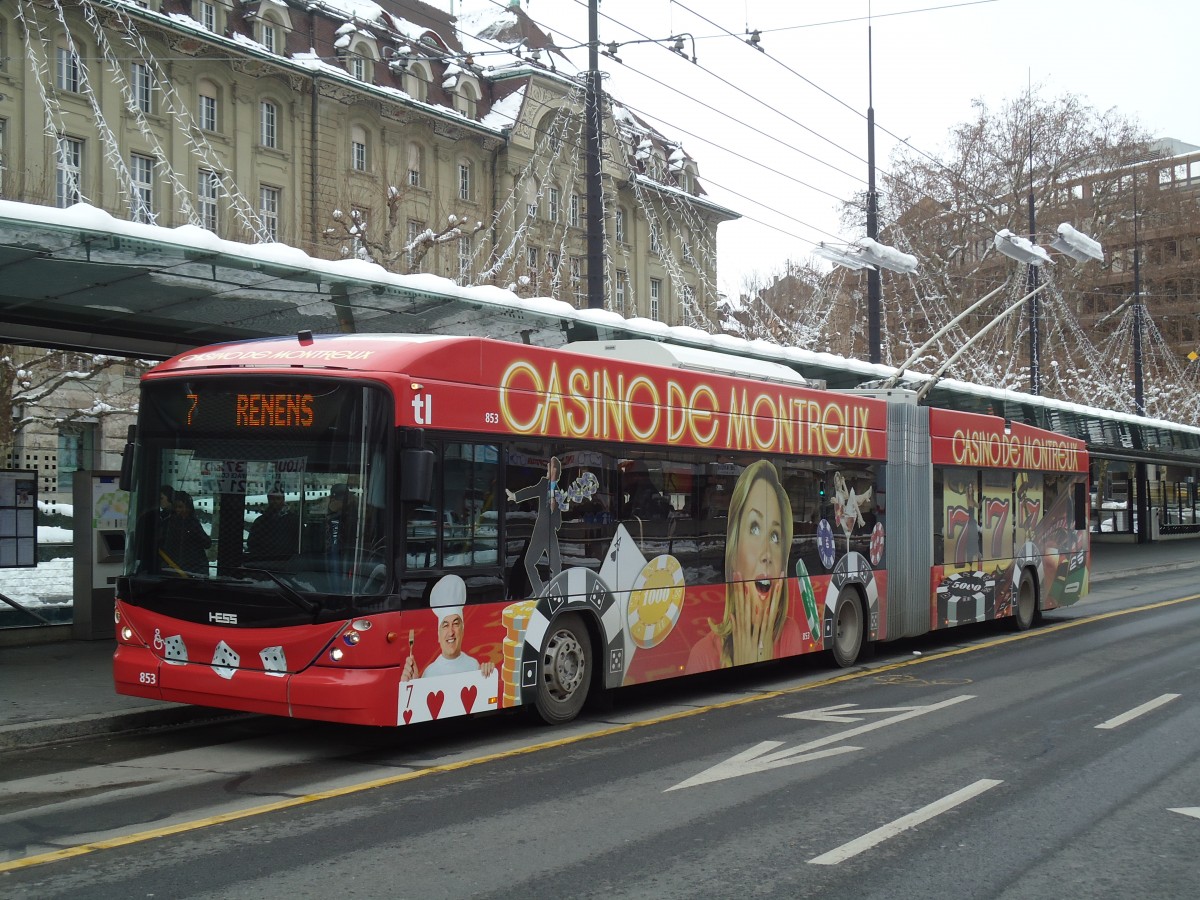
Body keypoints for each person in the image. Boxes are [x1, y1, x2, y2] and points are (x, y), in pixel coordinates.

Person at [687, 460, 803, 672]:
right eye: (755, 528)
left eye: (775, 536)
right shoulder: (702, 655)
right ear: (733, 551)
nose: (767, 553)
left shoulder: (789, 633)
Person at [401, 575, 496, 681]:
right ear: (438, 635)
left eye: (455, 624)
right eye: (445, 625)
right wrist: (413, 685)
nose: (451, 632)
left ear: (462, 630)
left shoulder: (473, 666)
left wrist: (488, 675)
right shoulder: (430, 673)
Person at [506, 456, 562, 596]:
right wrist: (515, 496)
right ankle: (539, 593)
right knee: (529, 563)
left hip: (549, 533)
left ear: (554, 470)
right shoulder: (543, 485)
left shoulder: (558, 492)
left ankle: (555, 595)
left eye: (549, 466)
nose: (547, 469)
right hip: (540, 531)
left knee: (556, 567)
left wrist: (556, 510)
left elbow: (558, 519)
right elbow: (531, 491)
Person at [160, 490, 212, 575]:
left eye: (180, 507)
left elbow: (207, 543)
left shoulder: (193, 523)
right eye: (175, 507)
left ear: (188, 508)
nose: (177, 510)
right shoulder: (167, 524)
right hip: (171, 570)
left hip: (193, 571)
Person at [246, 489, 295, 561]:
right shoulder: (260, 521)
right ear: (268, 500)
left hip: (288, 561)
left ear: (283, 500)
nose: (275, 501)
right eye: (272, 499)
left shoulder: (293, 520)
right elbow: (252, 543)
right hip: (266, 560)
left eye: (277, 498)